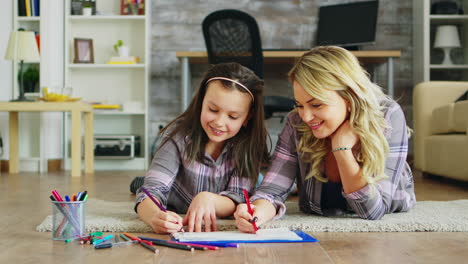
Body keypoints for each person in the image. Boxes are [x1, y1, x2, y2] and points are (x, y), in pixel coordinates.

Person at [234, 46, 416, 233]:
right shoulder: (296, 121)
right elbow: (272, 190)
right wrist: (256, 213)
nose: (306, 116)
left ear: (349, 96)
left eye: (316, 104)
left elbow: (372, 211)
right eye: (300, 105)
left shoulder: (387, 116)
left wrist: (342, 149)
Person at [135, 62, 270, 233]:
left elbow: (237, 198)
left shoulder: (247, 145)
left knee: (261, 186)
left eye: (233, 116)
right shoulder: (177, 138)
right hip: (178, 191)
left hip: (229, 187)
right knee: (144, 184)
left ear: (247, 118)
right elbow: (149, 193)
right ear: (201, 102)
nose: (219, 122)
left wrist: (208, 199)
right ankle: (138, 181)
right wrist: (154, 216)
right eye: (213, 110)